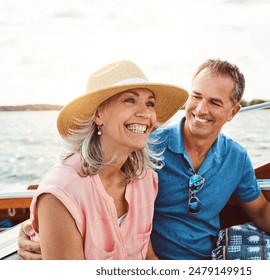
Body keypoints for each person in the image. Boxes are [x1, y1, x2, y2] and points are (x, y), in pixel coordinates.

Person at [18, 59, 270, 260]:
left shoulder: (227, 158)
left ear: (233, 112)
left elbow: (259, 209)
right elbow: (73, 180)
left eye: (215, 103)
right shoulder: (146, 146)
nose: (201, 110)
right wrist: (38, 231)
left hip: (205, 261)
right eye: (196, 97)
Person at [24, 60, 188, 259]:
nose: (144, 113)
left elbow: (148, 256)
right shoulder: (61, 192)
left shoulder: (145, 180)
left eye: (150, 103)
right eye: (129, 100)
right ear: (98, 114)